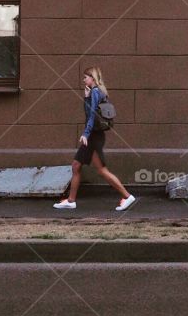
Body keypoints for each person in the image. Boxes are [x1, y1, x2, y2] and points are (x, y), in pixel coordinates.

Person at [53, 67, 137, 212]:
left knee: (102, 170)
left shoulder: (96, 92)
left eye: (85, 77)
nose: (83, 80)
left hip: (93, 137)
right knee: (76, 166)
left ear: (92, 78)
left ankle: (127, 196)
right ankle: (71, 201)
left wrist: (85, 134)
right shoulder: (96, 92)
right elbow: (91, 113)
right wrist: (86, 97)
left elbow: (92, 116)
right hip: (93, 135)